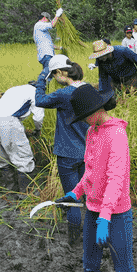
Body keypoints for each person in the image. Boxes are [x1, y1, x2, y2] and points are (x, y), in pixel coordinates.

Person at [58, 84, 137, 272]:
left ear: (96, 111)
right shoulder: (92, 131)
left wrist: (105, 217)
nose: (83, 121)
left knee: (124, 269)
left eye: (84, 116)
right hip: (94, 210)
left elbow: (116, 179)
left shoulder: (116, 134)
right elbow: (91, 171)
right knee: (90, 261)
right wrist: (76, 192)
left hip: (116, 214)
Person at [35, 55, 88, 246]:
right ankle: (91, 234)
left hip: (67, 154)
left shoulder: (63, 94)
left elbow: (40, 100)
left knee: (72, 198)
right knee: (88, 195)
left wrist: (42, 79)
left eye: (53, 75)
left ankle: (73, 240)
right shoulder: (88, 89)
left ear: (59, 73)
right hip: (87, 151)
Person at [0, 81, 46, 193]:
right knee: (23, 157)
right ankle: (27, 192)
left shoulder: (15, 89)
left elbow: (8, 110)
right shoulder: (36, 92)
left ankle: (8, 188)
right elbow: (38, 117)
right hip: (9, 122)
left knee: (4, 156)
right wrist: (38, 130)